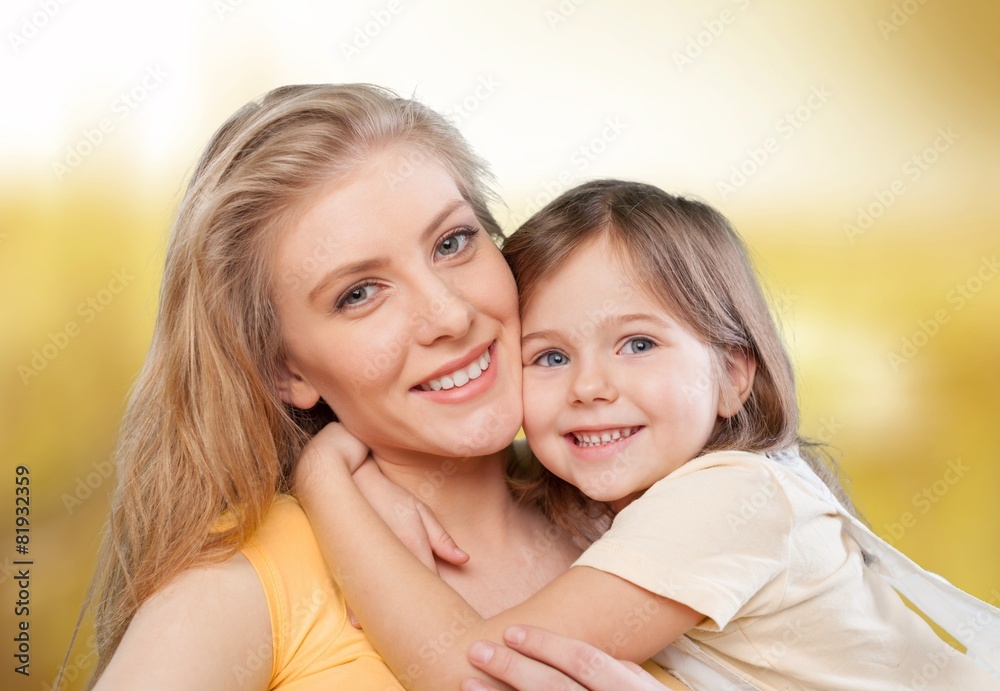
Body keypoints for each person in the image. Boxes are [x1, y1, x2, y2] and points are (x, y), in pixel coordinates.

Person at [76, 84, 680, 690]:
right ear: (288, 372)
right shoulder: (240, 587)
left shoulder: (641, 506)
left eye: (453, 242)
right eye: (358, 294)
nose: (449, 315)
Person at [295, 179, 1000, 689]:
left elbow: (475, 672)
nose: (590, 387)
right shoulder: (628, 498)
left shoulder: (728, 501)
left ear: (732, 374)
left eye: (637, 344)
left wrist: (326, 478)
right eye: (550, 356)